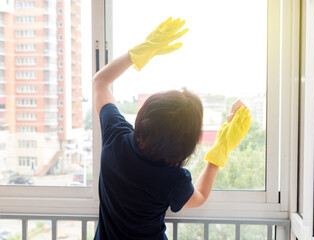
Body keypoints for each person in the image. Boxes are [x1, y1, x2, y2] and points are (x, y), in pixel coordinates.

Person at [93, 17, 252, 240]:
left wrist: (140, 52)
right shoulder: (172, 179)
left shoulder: (116, 138)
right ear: (185, 144)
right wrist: (220, 148)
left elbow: (100, 82)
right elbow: (200, 197)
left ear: (146, 114)